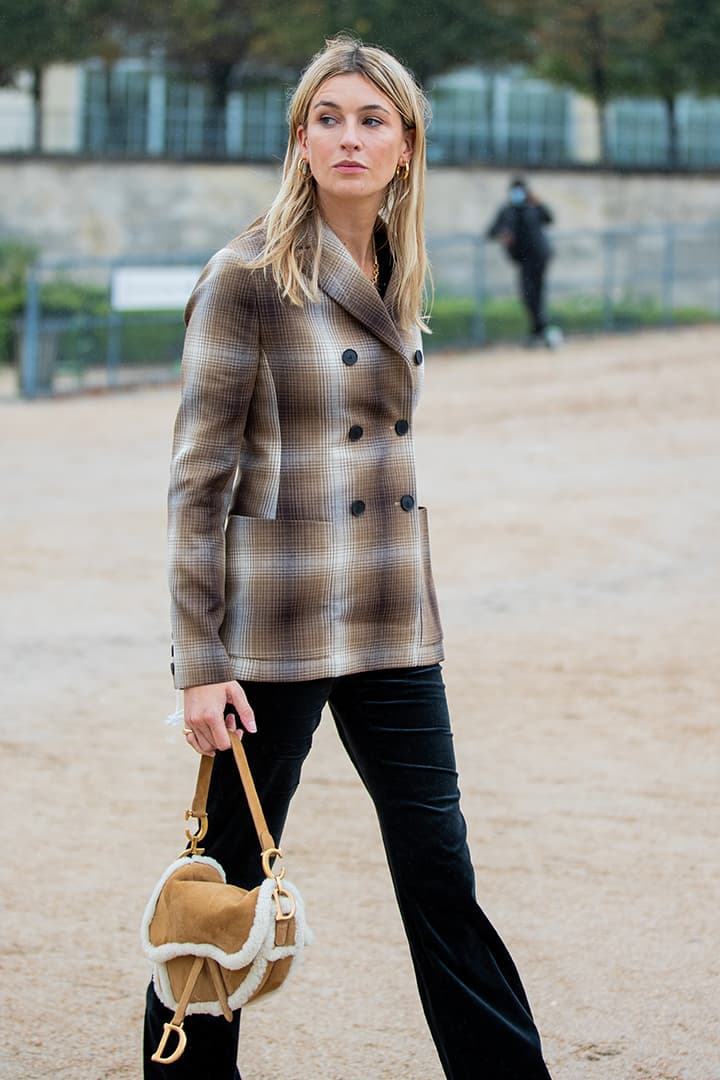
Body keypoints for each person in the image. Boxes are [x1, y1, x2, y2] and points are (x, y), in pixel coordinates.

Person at [144, 35, 553, 1080]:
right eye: (328, 117)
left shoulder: (395, 267)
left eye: (372, 119)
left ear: (407, 145)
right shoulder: (245, 277)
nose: (349, 136)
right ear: (300, 138)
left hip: (392, 620)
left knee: (440, 871)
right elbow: (200, 481)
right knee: (230, 883)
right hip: (270, 629)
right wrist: (200, 661)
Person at [487, 177, 562, 348]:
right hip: (523, 261)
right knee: (529, 295)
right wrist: (503, 234)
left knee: (535, 294)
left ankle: (541, 331)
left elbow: (549, 218)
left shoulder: (533, 208)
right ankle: (540, 331)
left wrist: (539, 202)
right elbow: (492, 231)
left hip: (539, 258)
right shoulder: (507, 211)